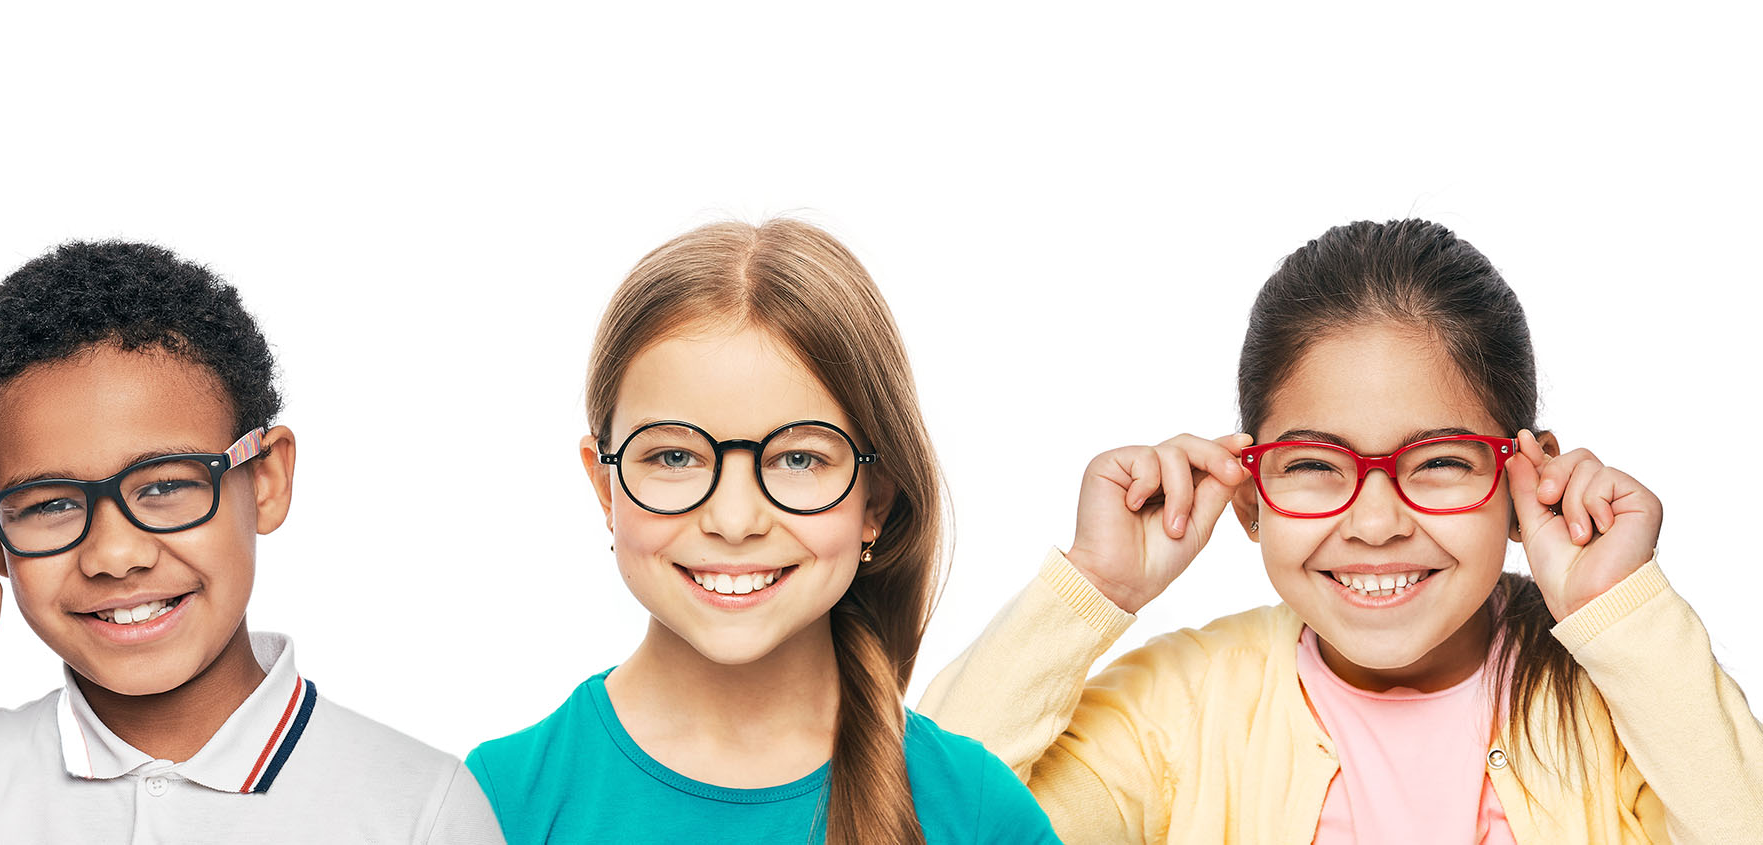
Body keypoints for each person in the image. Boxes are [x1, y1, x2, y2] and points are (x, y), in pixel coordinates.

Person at [919, 219, 1763, 843]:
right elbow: (910, 822)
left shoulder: (1624, 710)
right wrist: (1091, 589)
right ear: (1249, 496)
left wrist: (1618, 608)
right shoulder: (1176, 712)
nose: (1373, 522)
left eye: (1437, 461)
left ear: (1523, 483)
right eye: (1315, 465)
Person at [0, 242, 505, 844]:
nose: (115, 556)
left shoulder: (422, 808)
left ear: (268, 480)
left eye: (165, 486)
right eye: (53, 504)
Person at [466, 219, 1058, 844]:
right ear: (605, 487)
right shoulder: (498, 804)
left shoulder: (978, 812)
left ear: (875, 501)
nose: (734, 520)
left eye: (798, 459)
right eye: (674, 457)